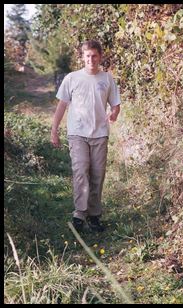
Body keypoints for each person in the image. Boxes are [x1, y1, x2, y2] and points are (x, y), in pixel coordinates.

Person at [50, 40, 121, 232]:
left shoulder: (107, 79)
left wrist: (114, 114)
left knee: (97, 175)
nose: (91, 59)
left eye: (94, 55)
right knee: (81, 172)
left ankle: (94, 216)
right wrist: (54, 130)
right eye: (87, 56)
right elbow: (62, 106)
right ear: (82, 57)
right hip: (77, 134)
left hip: (99, 134)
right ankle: (79, 214)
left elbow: (116, 104)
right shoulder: (72, 78)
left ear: (100, 57)